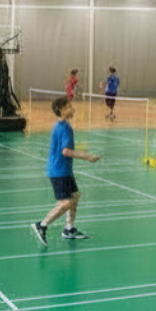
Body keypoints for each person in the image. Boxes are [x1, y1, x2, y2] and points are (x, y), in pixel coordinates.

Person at [33, 96, 101, 245]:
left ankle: (69, 229)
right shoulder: (64, 128)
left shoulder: (62, 125)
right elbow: (66, 151)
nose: (73, 109)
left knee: (75, 195)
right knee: (66, 202)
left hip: (64, 170)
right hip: (59, 171)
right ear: (62, 110)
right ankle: (42, 225)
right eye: (69, 106)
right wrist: (87, 156)